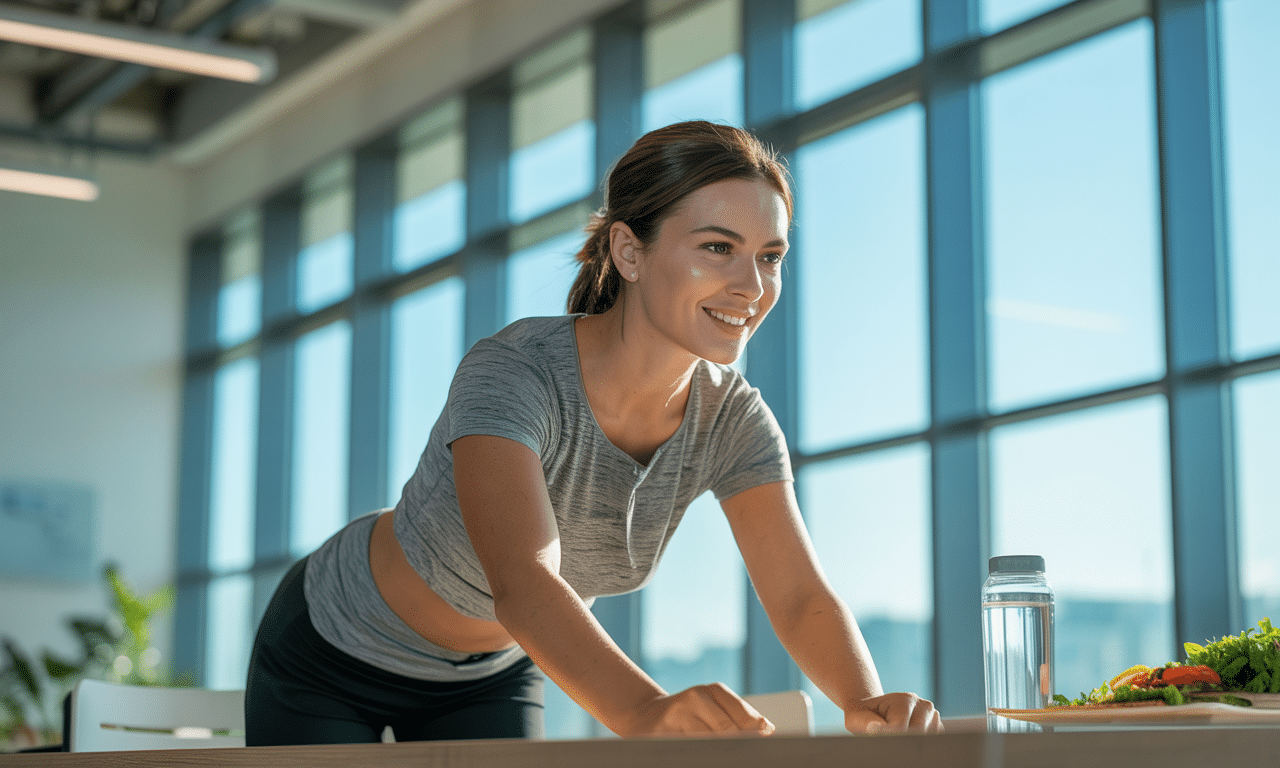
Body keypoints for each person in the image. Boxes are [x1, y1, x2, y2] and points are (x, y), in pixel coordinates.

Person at [244, 120, 942, 744]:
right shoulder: (516, 372)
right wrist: (644, 711)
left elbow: (799, 596)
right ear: (630, 253)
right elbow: (523, 580)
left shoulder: (734, 419)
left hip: (492, 672)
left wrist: (867, 702)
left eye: (769, 256)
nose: (752, 286)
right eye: (718, 247)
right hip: (334, 646)